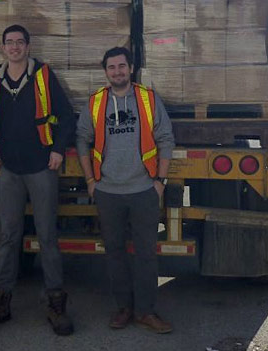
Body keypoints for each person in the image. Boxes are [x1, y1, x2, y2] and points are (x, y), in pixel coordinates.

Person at [0, 24, 76, 336]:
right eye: (9, 43)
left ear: (28, 47)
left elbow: (67, 116)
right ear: (4, 48)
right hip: (10, 171)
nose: (14, 47)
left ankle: (56, 304)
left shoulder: (43, 76)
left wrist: (58, 150)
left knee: (47, 237)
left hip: (42, 168)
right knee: (8, 237)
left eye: (20, 42)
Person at [76, 47, 175, 332]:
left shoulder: (147, 99)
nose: (117, 71)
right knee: (115, 252)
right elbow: (82, 139)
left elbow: (166, 139)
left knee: (146, 253)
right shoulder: (96, 102)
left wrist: (160, 182)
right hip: (107, 191)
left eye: (122, 66)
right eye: (111, 67)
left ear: (130, 68)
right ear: (105, 71)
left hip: (144, 189)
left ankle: (146, 311)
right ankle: (123, 309)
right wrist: (91, 181)